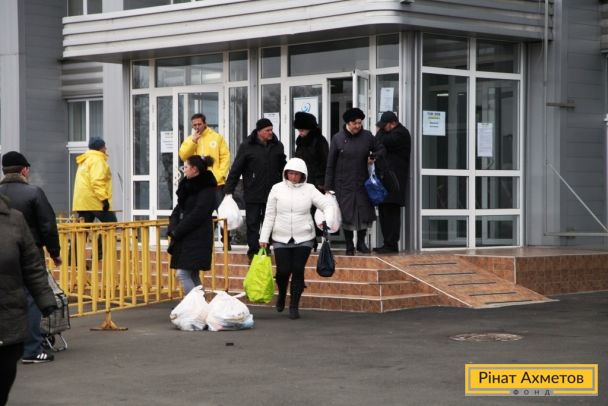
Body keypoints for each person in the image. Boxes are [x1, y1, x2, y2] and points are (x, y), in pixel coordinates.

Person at [0, 152, 61, 364]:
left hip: (3, 255)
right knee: (31, 298)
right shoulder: (33, 192)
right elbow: (48, 225)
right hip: (29, 254)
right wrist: (55, 252)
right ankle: (32, 349)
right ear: (24, 170)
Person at [259, 158, 334, 320]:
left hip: (304, 236)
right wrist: (264, 237)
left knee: (298, 269)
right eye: (290, 173)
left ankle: (294, 305)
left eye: (297, 174)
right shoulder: (277, 189)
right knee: (283, 271)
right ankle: (281, 294)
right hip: (280, 236)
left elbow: (327, 205)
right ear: (285, 173)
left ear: (303, 175)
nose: (293, 177)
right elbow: (269, 214)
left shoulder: (310, 189)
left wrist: (326, 220)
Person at [0, 194, 56, 405]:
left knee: (4, 376)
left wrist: (45, 299)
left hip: (8, 318)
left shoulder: (14, 219)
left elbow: (32, 265)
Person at [224, 118, 286, 261]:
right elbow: (236, 169)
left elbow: (283, 166)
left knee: (269, 222)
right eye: (267, 130)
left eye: (271, 129)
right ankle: (253, 252)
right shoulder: (247, 146)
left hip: (272, 193)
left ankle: (266, 249)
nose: (271, 132)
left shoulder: (277, 146)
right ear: (259, 131)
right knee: (252, 223)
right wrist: (229, 190)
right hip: (253, 192)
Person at [324, 107, 385, 256]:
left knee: (364, 214)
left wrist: (373, 156)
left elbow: (381, 149)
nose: (358, 126)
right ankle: (349, 245)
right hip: (343, 184)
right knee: (347, 215)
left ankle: (361, 243)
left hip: (362, 182)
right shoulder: (338, 138)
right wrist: (328, 187)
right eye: (354, 123)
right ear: (347, 123)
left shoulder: (367, 136)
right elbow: (330, 164)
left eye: (359, 122)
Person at [179, 113, 231, 247]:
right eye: (194, 125)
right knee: (200, 212)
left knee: (222, 213)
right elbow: (183, 155)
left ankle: (226, 241)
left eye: (199, 124)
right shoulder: (190, 139)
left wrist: (219, 175)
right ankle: (201, 240)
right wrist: (193, 142)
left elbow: (225, 157)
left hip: (216, 183)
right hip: (199, 184)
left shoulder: (216, 137)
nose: (197, 127)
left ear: (205, 123)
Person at [168, 155, 217, 294]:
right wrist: (173, 227)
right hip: (186, 236)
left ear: (195, 169)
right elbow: (179, 208)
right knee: (192, 274)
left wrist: (179, 230)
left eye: (186, 167)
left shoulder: (206, 187)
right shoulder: (187, 185)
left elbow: (199, 213)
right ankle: (200, 304)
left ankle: (193, 304)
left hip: (198, 236)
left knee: (182, 274)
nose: (184, 170)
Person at [374, 112, 411, 253]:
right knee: (384, 211)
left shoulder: (401, 134)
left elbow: (381, 141)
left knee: (391, 212)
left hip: (395, 181)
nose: (382, 128)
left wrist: (379, 133)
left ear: (393, 123)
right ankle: (387, 243)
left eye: (385, 126)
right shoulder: (388, 133)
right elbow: (378, 141)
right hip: (385, 179)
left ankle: (392, 244)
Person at [294, 112, 329, 250]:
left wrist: (322, 182)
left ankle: (319, 240)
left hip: (316, 183)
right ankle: (308, 239)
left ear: (309, 129)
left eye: (302, 130)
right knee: (304, 212)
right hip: (302, 183)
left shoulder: (319, 141)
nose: (300, 133)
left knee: (316, 212)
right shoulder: (300, 142)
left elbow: (325, 162)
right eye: (299, 130)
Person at [72, 137, 116, 223]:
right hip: (95, 201)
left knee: (83, 229)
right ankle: (106, 234)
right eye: (104, 146)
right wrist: (104, 200)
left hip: (82, 203)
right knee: (112, 226)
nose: (106, 148)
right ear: (100, 148)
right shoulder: (97, 160)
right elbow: (97, 181)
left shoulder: (85, 159)